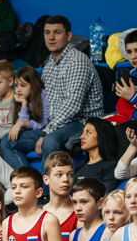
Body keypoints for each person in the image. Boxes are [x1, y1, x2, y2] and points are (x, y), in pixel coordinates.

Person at [36, 16, 104, 160]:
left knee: (50, 141)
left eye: (57, 32)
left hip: (83, 123)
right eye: (47, 32)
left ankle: (50, 183)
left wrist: (46, 132)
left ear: (68, 36)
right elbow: (45, 103)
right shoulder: (49, 66)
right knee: (10, 141)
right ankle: (31, 181)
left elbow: (73, 106)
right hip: (58, 124)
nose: (51, 37)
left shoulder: (77, 61)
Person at [0, 66, 50, 169]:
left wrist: (21, 123)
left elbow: (44, 124)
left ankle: (27, 178)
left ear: (33, 85)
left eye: (23, 85)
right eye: (16, 85)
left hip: (44, 133)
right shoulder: (18, 99)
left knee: (7, 142)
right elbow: (18, 125)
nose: (18, 90)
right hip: (28, 133)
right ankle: (24, 180)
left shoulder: (44, 96)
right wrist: (24, 105)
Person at [75, 118, 120, 192]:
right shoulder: (79, 168)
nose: (81, 137)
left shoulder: (111, 167)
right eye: (82, 132)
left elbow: (106, 196)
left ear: (101, 136)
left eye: (88, 132)